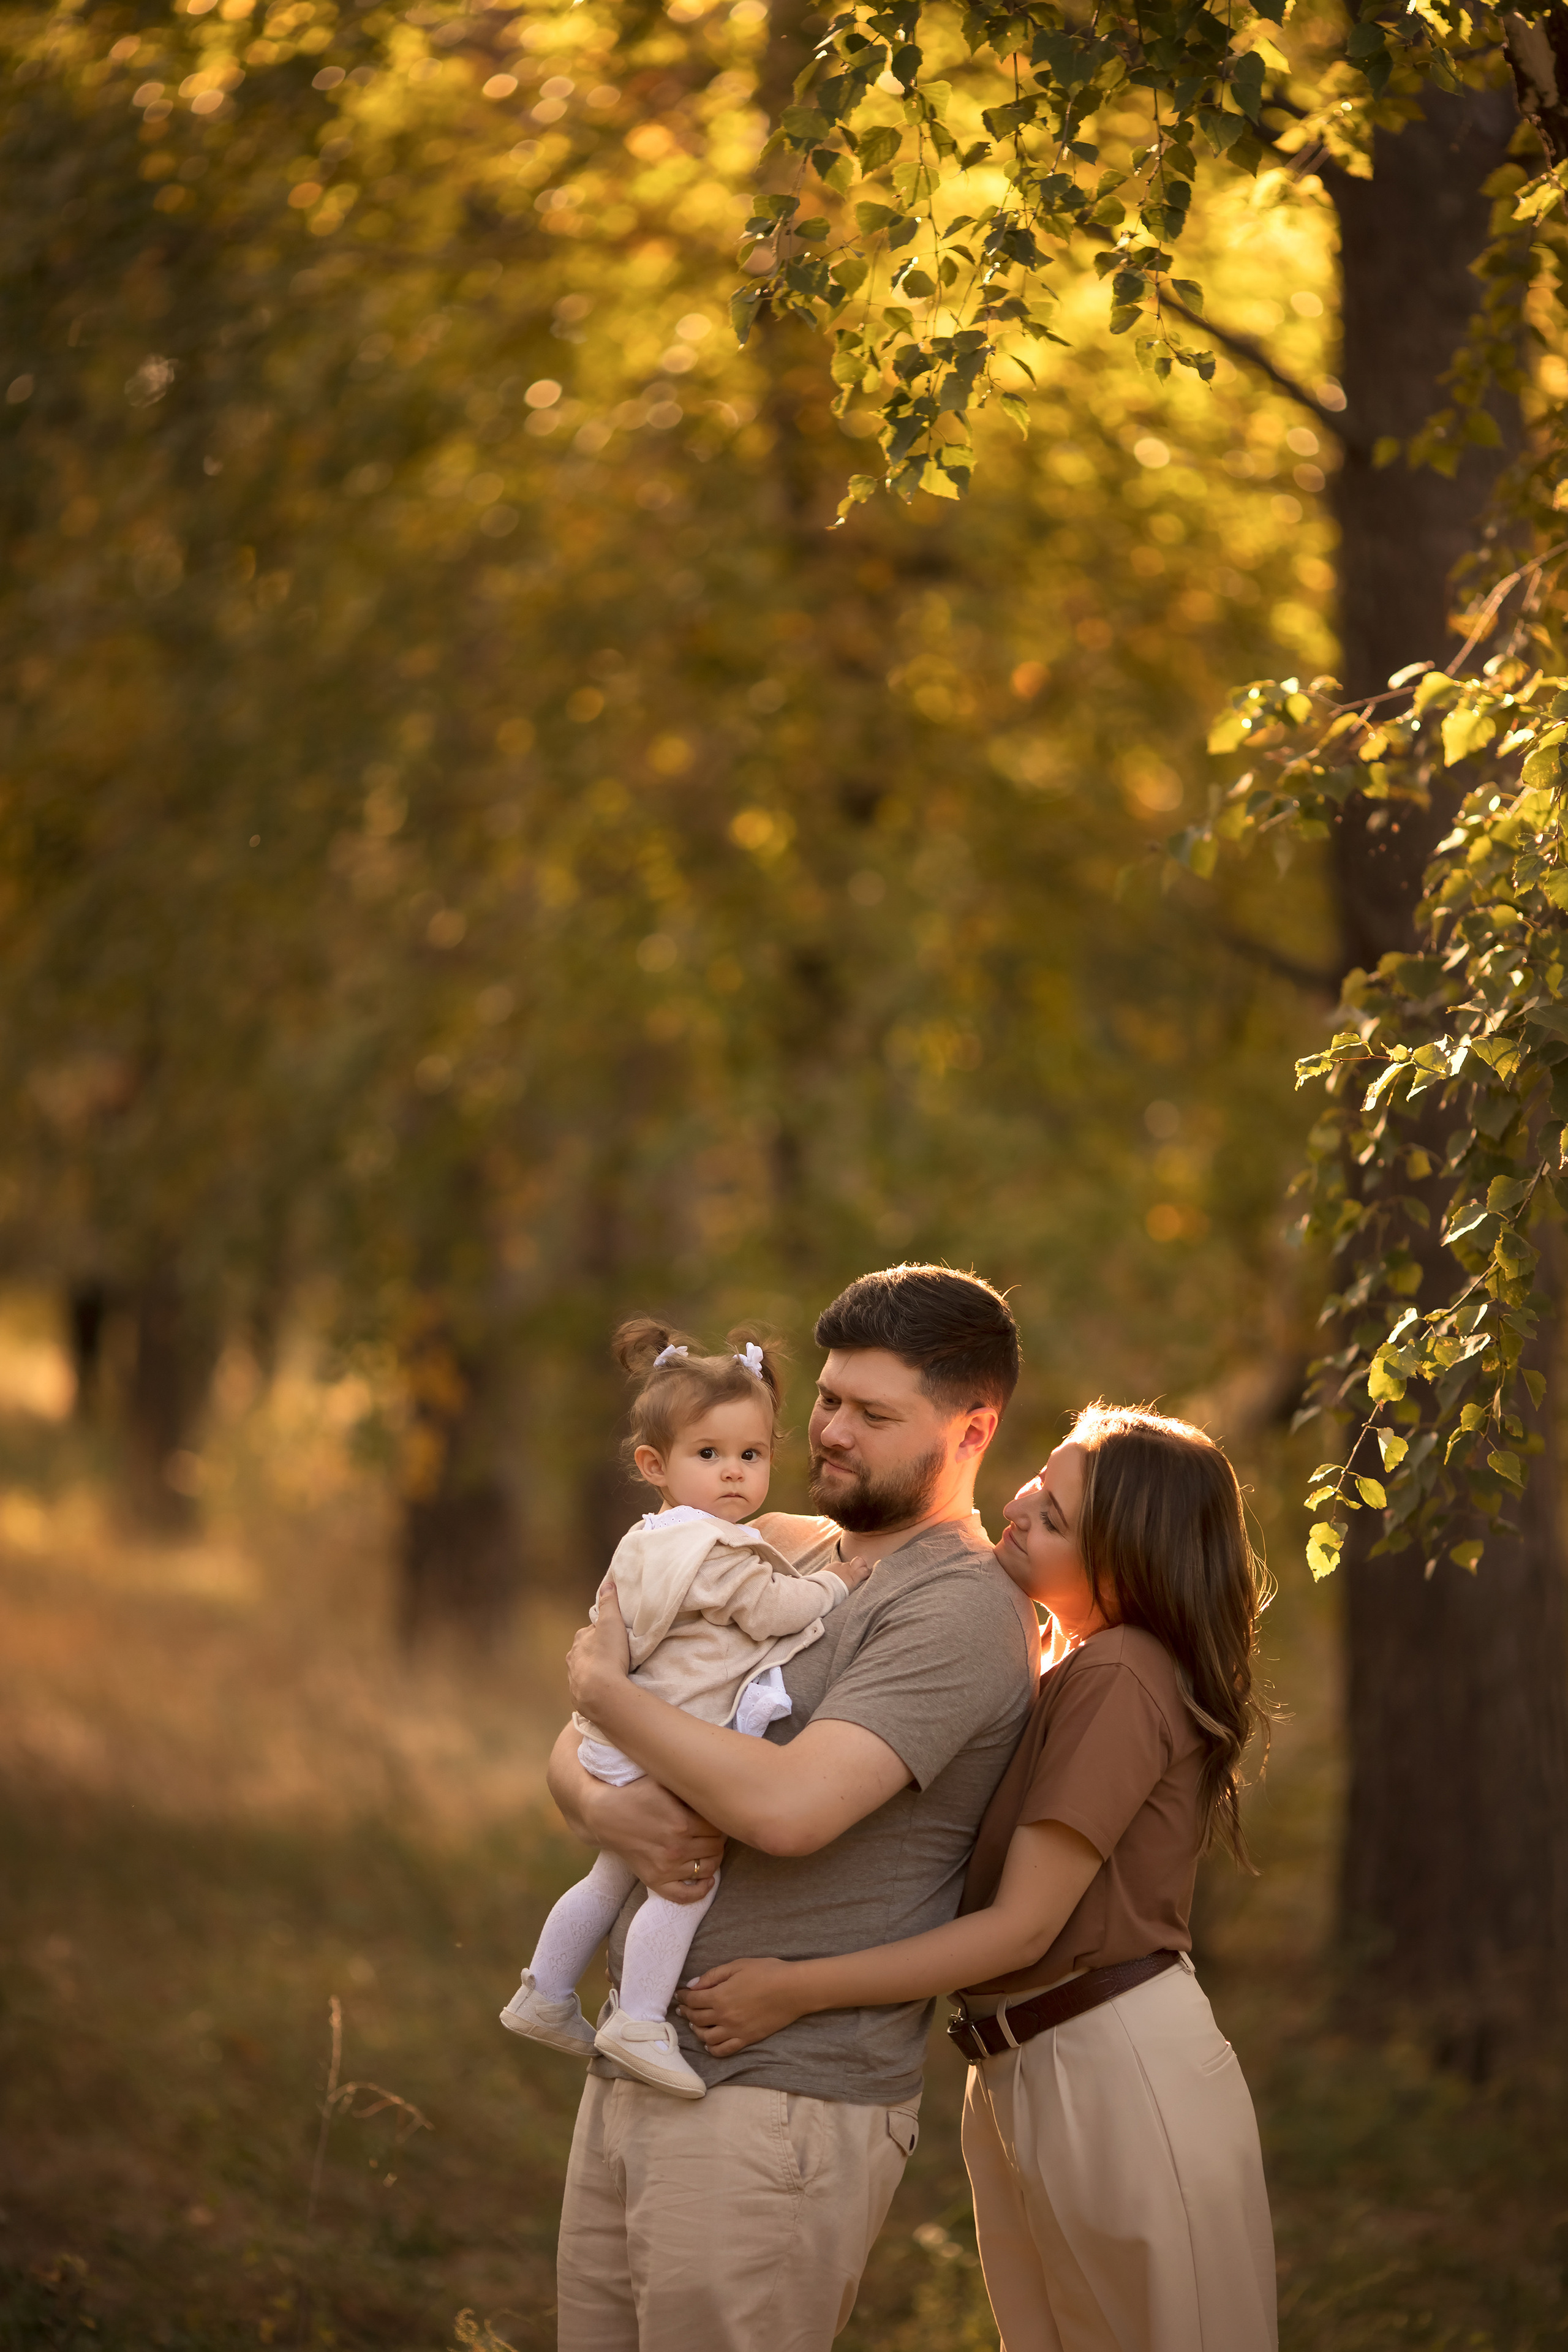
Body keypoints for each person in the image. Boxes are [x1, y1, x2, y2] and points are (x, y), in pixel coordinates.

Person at [681, 1405, 1279, 2352]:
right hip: (1027, 2061)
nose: (1017, 1506)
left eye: (1055, 1516)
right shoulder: (1067, 1662)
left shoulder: (1122, 1673)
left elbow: (1022, 1928)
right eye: (1038, 1482)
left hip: (1109, 2065)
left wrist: (794, 1989)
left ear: (1125, 1563)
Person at [547, 1264, 1039, 2352]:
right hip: (637, 2062)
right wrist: (603, 1808)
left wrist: (608, 1698)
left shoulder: (957, 1609)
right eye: (826, 1399)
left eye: (875, 1415)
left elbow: (787, 1812)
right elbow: (579, 1745)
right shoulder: (771, 1542)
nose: (832, 1432)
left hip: (778, 2106)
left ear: (972, 1430)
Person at [502, 1316, 869, 2097]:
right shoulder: (714, 1549)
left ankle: (544, 1991)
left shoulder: (647, 1538)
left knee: (610, 1876)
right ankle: (639, 2019)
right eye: (708, 1455)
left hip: (617, 1735)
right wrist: (834, 1585)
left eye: (751, 1456)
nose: (733, 1473)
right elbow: (772, 1611)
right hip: (665, 1739)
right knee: (686, 1882)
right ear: (654, 1464)